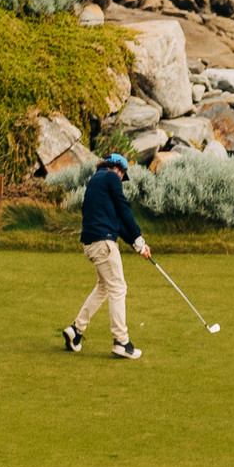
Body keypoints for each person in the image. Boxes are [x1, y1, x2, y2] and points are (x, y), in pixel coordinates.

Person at [66, 153, 145, 360]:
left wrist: (136, 244)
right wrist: (139, 238)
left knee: (104, 286)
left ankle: (76, 330)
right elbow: (124, 208)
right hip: (104, 242)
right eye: (122, 174)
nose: (121, 180)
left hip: (92, 244)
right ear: (117, 168)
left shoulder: (96, 181)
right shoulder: (110, 177)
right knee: (118, 287)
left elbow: (117, 221)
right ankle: (121, 341)